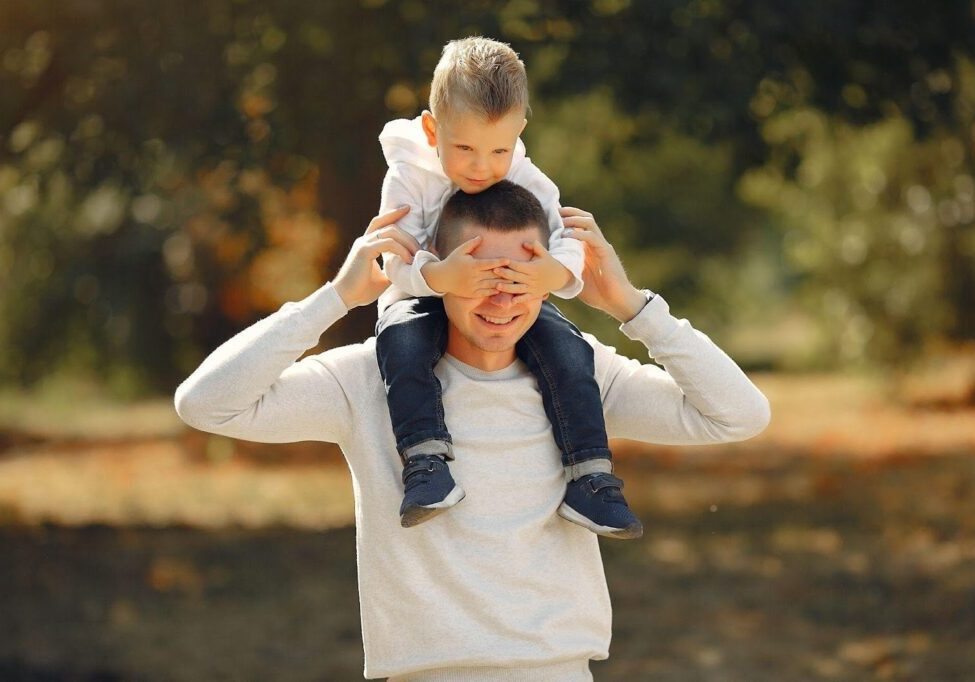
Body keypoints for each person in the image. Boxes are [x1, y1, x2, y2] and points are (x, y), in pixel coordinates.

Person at [174, 181, 771, 681]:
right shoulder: (368, 379)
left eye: (523, 272)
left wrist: (633, 308)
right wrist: (333, 300)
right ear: (440, 272)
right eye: (482, 272)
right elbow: (207, 405)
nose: (503, 293)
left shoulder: (580, 377)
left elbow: (738, 414)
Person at [374, 36, 642, 537]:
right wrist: (436, 276)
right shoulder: (408, 174)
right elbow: (393, 256)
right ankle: (426, 462)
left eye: (499, 148)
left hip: (504, 296)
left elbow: (564, 238)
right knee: (401, 345)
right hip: (420, 296)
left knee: (568, 349)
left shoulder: (522, 171)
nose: (482, 167)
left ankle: (591, 477)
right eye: (465, 148)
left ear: (519, 131)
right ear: (433, 129)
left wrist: (554, 275)